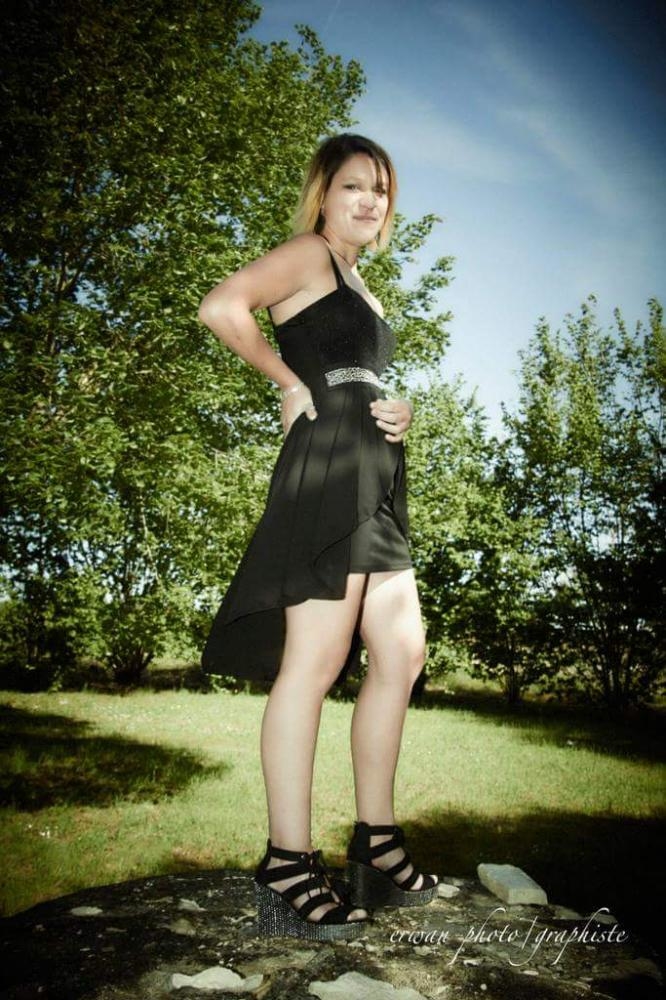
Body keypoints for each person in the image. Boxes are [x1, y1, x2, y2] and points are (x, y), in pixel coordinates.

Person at [198, 134, 439, 941]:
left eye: (381, 190)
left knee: (402, 651)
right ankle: (287, 860)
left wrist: (397, 409)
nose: (370, 201)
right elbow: (222, 308)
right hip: (329, 472)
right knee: (317, 659)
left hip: (377, 473)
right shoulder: (308, 255)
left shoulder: (361, 282)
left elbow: (354, 371)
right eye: (354, 186)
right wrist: (288, 381)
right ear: (324, 195)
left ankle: (377, 843)